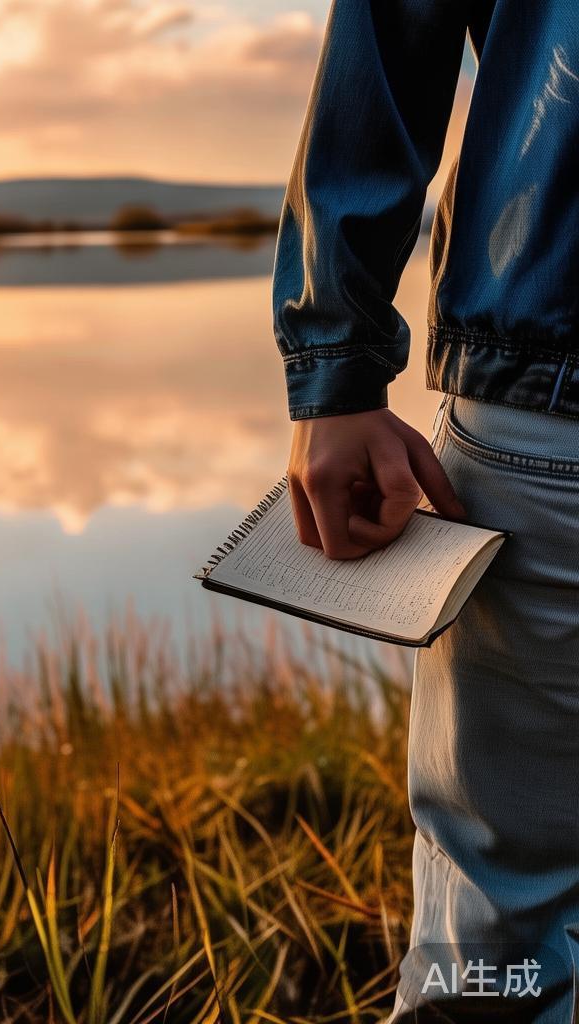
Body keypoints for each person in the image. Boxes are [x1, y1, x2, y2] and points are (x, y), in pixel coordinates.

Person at [272, 1, 579, 1020]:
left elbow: (388, 30)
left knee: (495, 947)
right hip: (545, 393)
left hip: (547, 386)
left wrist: (337, 367)